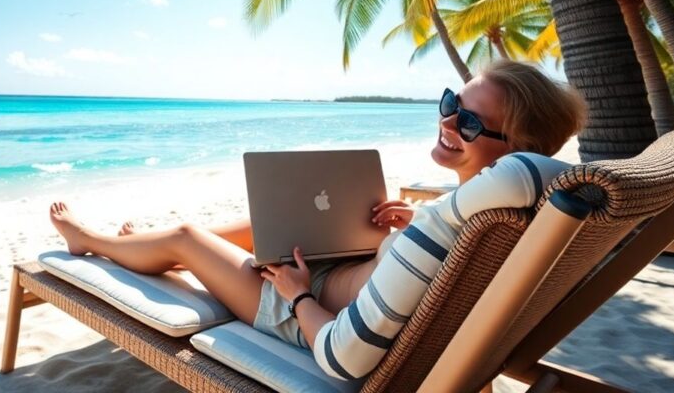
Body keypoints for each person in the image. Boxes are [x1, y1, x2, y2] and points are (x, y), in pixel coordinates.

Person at [48, 61, 587, 379]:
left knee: (191, 238)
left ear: (514, 149)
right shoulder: (491, 215)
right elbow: (433, 273)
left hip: (307, 314)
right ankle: (146, 242)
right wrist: (407, 230)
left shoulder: (484, 207)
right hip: (345, 277)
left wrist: (298, 293)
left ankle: (90, 240)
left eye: (467, 120)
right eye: (450, 101)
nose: (446, 120)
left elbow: (341, 358)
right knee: (271, 224)